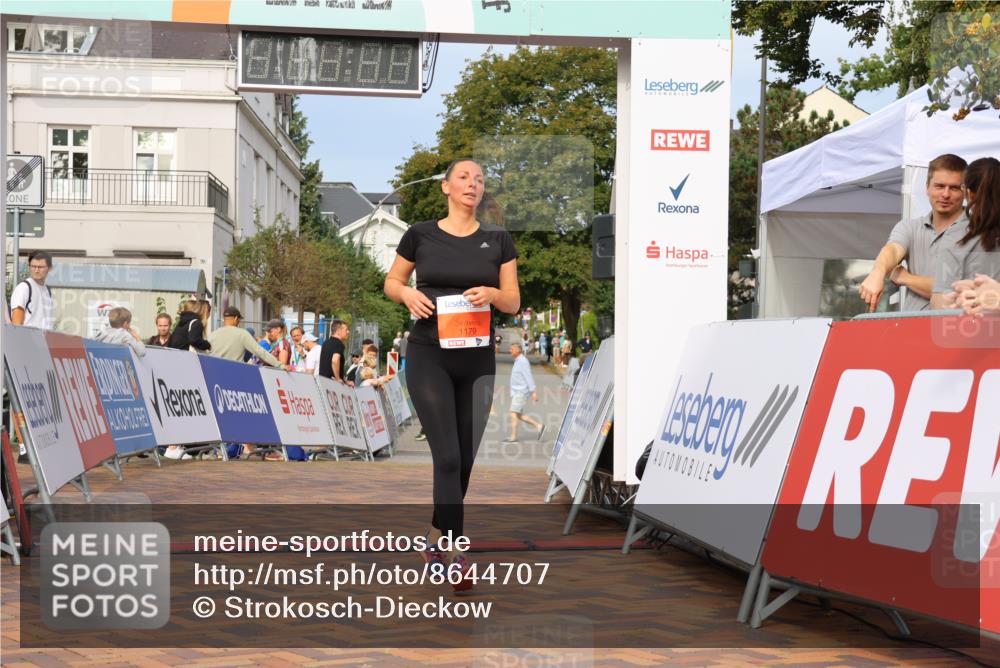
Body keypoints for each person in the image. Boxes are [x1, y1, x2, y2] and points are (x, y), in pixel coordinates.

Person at [384, 157, 519, 589]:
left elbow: (513, 302)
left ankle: (434, 538)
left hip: (478, 360)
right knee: (446, 456)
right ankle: (455, 552)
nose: (472, 184)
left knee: (463, 462)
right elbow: (392, 282)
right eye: (464, 177)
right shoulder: (420, 234)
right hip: (429, 355)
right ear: (446, 187)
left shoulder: (498, 240)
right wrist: (407, 293)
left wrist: (494, 293)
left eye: (479, 179)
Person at [859, 154, 968, 312]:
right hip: (911, 328)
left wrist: (905, 277)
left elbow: (955, 292)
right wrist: (878, 272)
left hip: (957, 331)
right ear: (927, 188)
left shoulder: (979, 232)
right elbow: (893, 250)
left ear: (965, 191)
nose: (945, 194)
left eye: (954, 188)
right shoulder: (910, 227)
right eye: (939, 186)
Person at [934, 157, 1000, 310]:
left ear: (968, 193)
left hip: (971, 329)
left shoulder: (956, 236)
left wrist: (955, 301)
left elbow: (938, 301)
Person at [208, 306, 284, 366]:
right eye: (239, 320)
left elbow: (206, 353)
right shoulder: (242, 334)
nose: (239, 322)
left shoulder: (213, 334)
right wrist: (279, 365)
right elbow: (259, 351)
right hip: (234, 374)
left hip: (215, 373)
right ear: (235, 318)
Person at [504, 343, 544, 443]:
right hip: (517, 392)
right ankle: (539, 426)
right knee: (518, 415)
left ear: (518, 350)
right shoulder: (518, 361)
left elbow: (528, 376)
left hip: (521, 392)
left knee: (513, 412)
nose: (510, 351)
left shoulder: (522, 361)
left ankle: (513, 436)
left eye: (511, 349)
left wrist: (533, 392)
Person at [10, 250, 55, 329]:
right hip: (27, 339)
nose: (36, 270)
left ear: (50, 268)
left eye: (40, 267)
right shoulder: (24, 288)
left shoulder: (47, 290)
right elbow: (16, 324)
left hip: (44, 339)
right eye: (33, 266)